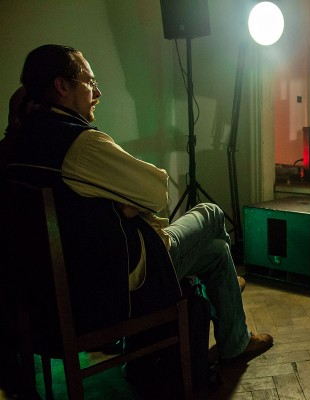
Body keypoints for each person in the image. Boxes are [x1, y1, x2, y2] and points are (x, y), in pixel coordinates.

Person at [3, 44, 272, 375]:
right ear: (61, 86)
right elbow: (158, 191)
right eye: (89, 81)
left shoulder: (15, 147)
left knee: (217, 252)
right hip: (114, 287)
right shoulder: (81, 145)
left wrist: (121, 202)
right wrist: (127, 204)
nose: (97, 92)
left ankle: (233, 328)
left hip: (48, 300)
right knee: (211, 214)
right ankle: (227, 300)